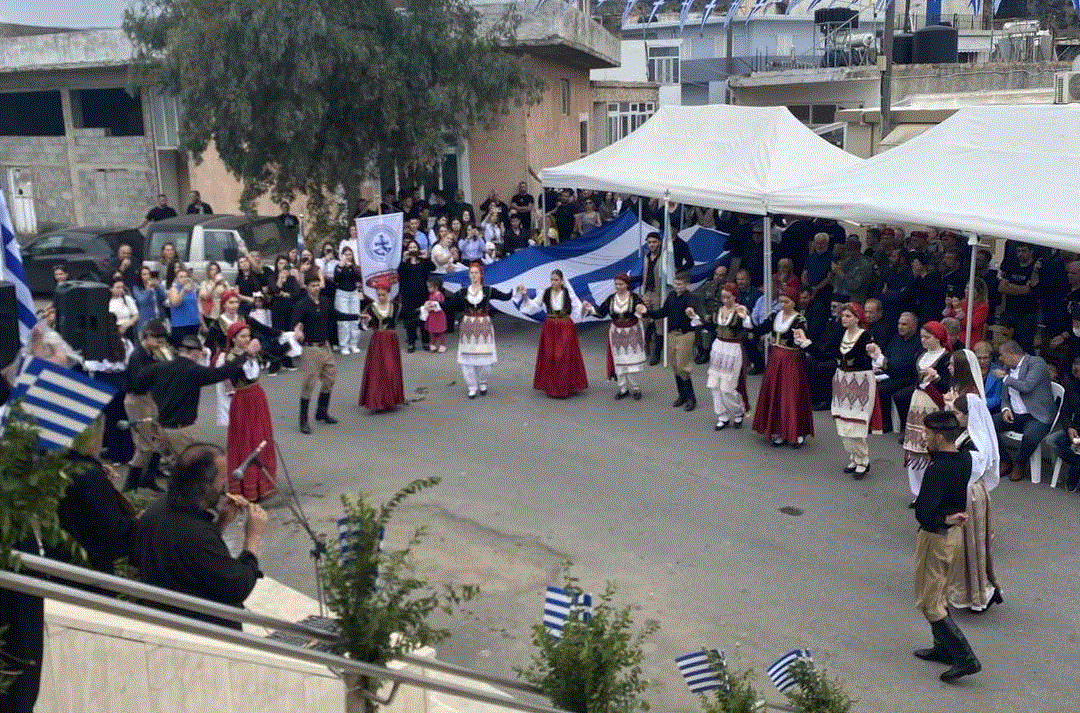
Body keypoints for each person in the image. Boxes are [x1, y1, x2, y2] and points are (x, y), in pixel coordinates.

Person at [134, 443, 267, 630]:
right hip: (200, 625)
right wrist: (253, 538)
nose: (224, 487)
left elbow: (193, 560)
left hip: (166, 611)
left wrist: (221, 523)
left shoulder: (158, 510)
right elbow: (237, 586)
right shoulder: (196, 535)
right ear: (204, 486)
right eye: (221, 480)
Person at [911, 410, 981, 683]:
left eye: (928, 434)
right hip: (953, 536)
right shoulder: (963, 458)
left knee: (929, 602)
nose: (924, 437)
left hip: (936, 537)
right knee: (938, 593)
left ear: (939, 437)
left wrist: (942, 517)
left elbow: (923, 514)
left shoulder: (937, 470)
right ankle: (943, 648)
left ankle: (966, 658)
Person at [133, 333, 255, 457]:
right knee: (193, 466)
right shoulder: (193, 370)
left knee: (160, 460)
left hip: (163, 427)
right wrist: (245, 356)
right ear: (195, 352)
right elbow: (221, 373)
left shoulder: (159, 367)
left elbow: (139, 380)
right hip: (183, 429)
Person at [945, 352, 1003, 613]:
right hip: (966, 495)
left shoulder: (976, 446)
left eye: (957, 414)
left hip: (971, 497)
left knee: (971, 548)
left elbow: (973, 469)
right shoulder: (968, 434)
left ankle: (979, 592)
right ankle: (965, 589)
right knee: (961, 549)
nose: (955, 417)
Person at [215, 322, 277, 502]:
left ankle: (263, 481)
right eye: (242, 336)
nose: (246, 339)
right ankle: (246, 484)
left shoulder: (252, 353)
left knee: (261, 436)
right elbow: (235, 373)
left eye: (248, 336)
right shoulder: (230, 358)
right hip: (243, 400)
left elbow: (275, 354)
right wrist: (248, 354)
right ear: (233, 339)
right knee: (245, 439)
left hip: (257, 396)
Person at [753, 287, 814, 448]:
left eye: (786, 302)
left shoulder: (799, 320)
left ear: (794, 302)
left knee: (791, 395)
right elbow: (761, 329)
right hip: (775, 359)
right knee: (776, 393)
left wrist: (800, 339)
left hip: (791, 360)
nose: (782, 305)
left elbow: (803, 340)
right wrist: (746, 320)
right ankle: (779, 430)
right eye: (781, 302)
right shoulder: (775, 315)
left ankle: (797, 432)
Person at [516, 269, 589, 399]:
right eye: (552, 280)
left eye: (556, 280)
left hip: (565, 325)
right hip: (550, 326)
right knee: (550, 355)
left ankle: (564, 387)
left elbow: (578, 307)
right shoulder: (546, 292)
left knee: (563, 356)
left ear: (562, 281)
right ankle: (552, 387)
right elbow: (533, 306)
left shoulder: (567, 293)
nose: (554, 282)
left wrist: (585, 308)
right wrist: (525, 296)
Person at [446, 262, 514, 399]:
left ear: (481, 274)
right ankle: (472, 386)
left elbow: (506, 297)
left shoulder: (488, 290)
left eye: (476, 273)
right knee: (467, 360)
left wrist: (517, 290)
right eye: (471, 273)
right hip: (468, 327)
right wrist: (433, 304)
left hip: (484, 326)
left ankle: (483, 383)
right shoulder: (462, 292)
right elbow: (449, 305)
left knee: (485, 359)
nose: (474, 275)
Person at [903, 321, 953, 499]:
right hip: (917, 402)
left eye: (928, 337)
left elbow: (949, 385)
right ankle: (917, 491)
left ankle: (931, 491)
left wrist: (937, 377)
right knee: (914, 448)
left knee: (930, 448)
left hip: (934, 405)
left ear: (938, 337)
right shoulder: (921, 355)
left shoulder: (947, 358)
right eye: (922, 337)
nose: (923, 340)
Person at [992, 340, 1053, 482]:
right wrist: (1006, 409)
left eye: (1002, 355)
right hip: (1016, 414)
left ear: (1012, 354)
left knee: (1030, 435)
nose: (1000, 359)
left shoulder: (1036, 363)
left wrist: (1006, 378)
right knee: (990, 423)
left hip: (1036, 415)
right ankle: (1005, 460)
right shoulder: (1008, 368)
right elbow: (1004, 396)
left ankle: (1020, 463)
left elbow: (1027, 386)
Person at [642, 272, 702, 412]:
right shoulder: (671, 297)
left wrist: (691, 312)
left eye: (680, 284)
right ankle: (681, 395)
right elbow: (663, 312)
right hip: (672, 334)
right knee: (675, 366)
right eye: (676, 284)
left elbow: (692, 310)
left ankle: (691, 398)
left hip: (685, 334)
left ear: (687, 285)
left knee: (683, 366)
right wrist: (647, 312)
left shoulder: (690, 298)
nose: (677, 286)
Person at [123, 319, 171, 492]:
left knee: (159, 438)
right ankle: (130, 485)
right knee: (144, 445)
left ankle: (148, 478)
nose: (161, 343)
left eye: (163, 340)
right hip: (137, 399)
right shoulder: (138, 356)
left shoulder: (151, 354)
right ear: (147, 336)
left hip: (149, 398)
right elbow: (138, 383)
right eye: (157, 339)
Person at [832, 303, 879, 478]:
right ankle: (853, 456)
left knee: (856, 423)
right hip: (842, 379)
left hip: (860, 381)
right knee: (843, 421)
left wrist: (874, 352)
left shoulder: (866, 336)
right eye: (843, 316)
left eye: (849, 316)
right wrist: (807, 344)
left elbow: (873, 355)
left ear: (858, 318)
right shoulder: (840, 333)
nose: (844, 319)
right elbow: (829, 352)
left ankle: (863, 459)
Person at [583, 273, 647, 400]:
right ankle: (623, 388)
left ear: (627, 284)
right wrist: (590, 309)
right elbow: (601, 313)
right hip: (616, 333)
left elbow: (643, 311)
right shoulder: (611, 299)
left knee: (630, 363)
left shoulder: (635, 298)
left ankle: (635, 388)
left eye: (621, 284)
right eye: (616, 284)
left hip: (632, 332)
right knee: (619, 362)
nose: (618, 287)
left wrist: (641, 310)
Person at [84, 314, 135, 466]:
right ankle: (127, 452)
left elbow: (89, 365)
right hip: (121, 381)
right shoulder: (125, 342)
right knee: (123, 418)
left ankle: (115, 454)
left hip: (104, 382)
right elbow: (129, 361)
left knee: (110, 421)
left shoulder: (96, 344)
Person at [699, 283, 751, 430]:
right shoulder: (719, 310)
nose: (725, 300)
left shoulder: (740, 310)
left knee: (727, 387)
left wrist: (745, 316)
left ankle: (738, 411)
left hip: (733, 348)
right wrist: (697, 318)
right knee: (714, 385)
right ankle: (722, 416)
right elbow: (711, 327)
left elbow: (749, 327)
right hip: (718, 347)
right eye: (723, 297)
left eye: (728, 297)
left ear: (735, 297)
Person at [292, 274, 339, 432]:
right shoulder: (302, 305)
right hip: (310, 348)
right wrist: (297, 330)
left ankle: (322, 411)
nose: (316, 288)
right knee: (309, 384)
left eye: (317, 285)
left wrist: (356, 317)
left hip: (325, 346)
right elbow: (295, 322)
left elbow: (336, 315)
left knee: (330, 377)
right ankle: (303, 420)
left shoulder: (325, 301)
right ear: (306, 287)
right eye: (312, 285)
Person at [358, 285, 405, 412]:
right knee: (377, 368)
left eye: (383, 295)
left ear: (388, 295)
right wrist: (366, 321)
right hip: (377, 340)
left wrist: (424, 309)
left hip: (391, 340)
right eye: (379, 295)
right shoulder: (371, 308)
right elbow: (361, 326)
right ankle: (377, 400)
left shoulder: (396, 306)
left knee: (390, 368)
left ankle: (391, 399)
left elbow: (409, 316)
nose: (381, 297)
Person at [398, 238, 436, 353]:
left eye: (414, 247)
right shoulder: (405, 263)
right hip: (408, 295)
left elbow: (433, 267)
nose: (412, 250)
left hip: (422, 294)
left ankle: (425, 341)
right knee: (410, 320)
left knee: (423, 318)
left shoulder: (423, 262)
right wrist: (404, 259)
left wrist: (426, 257)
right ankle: (411, 342)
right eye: (410, 248)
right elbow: (400, 272)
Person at [1049, 356, 1080, 491]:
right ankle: (1077, 463)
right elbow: (1065, 411)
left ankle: (1076, 468)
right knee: (1052, 440)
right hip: (1074, 431)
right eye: (1075, 365)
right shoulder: (1071, 385)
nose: (1075, 369)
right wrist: (1069, 428)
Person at [640, 232, 664, 366]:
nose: (651, 245)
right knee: (644, 321)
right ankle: (645, 348)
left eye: (654, 242)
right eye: (649, 242)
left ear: (659, 242)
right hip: (647, 292)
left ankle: (657, 353)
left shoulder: (664, 257)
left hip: (658, 293)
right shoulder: (646, 256)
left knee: (659, 324)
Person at [333, 246, 362, 354]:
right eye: (346, 254)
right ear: (341, 256)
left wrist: (353, 268)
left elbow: (359, 278)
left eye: (350, 254)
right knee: (344, 322)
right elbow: (336, 279)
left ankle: (353, 344)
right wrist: (341, 266)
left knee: (355, 319)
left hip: (353, 294)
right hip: (342, 294)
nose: (348, 257)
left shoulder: (354, 267)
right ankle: (344, 345)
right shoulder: (338, 267)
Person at [132, 265, 167, 334]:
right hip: (144, 319)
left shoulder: (156, 286)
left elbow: (163, 297)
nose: (147, 276)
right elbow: (142, 300)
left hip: (158, 318)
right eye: (144, 274)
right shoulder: (136, 288)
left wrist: (158, 287)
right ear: (140, 276)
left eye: (148, 274)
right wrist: (148, 289)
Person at [973, 341, 1002, 413]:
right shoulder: (970, 370)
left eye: (985, 358)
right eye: (979, 358)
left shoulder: (998, 371)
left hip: (992, 412)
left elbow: (997, 399)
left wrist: (977, 402)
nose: (982, 361)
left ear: (990, 357)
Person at [422, 276, 448, 353]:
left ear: (436, 287)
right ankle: (432, 344)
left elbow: (438, 304)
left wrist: (430, 305)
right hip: (432, 316)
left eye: (430, 287)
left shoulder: (439, 295)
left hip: (438, 316)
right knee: (432, 331)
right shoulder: (430, 295)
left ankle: (442, 345)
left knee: (440, 331)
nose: (428, 289)